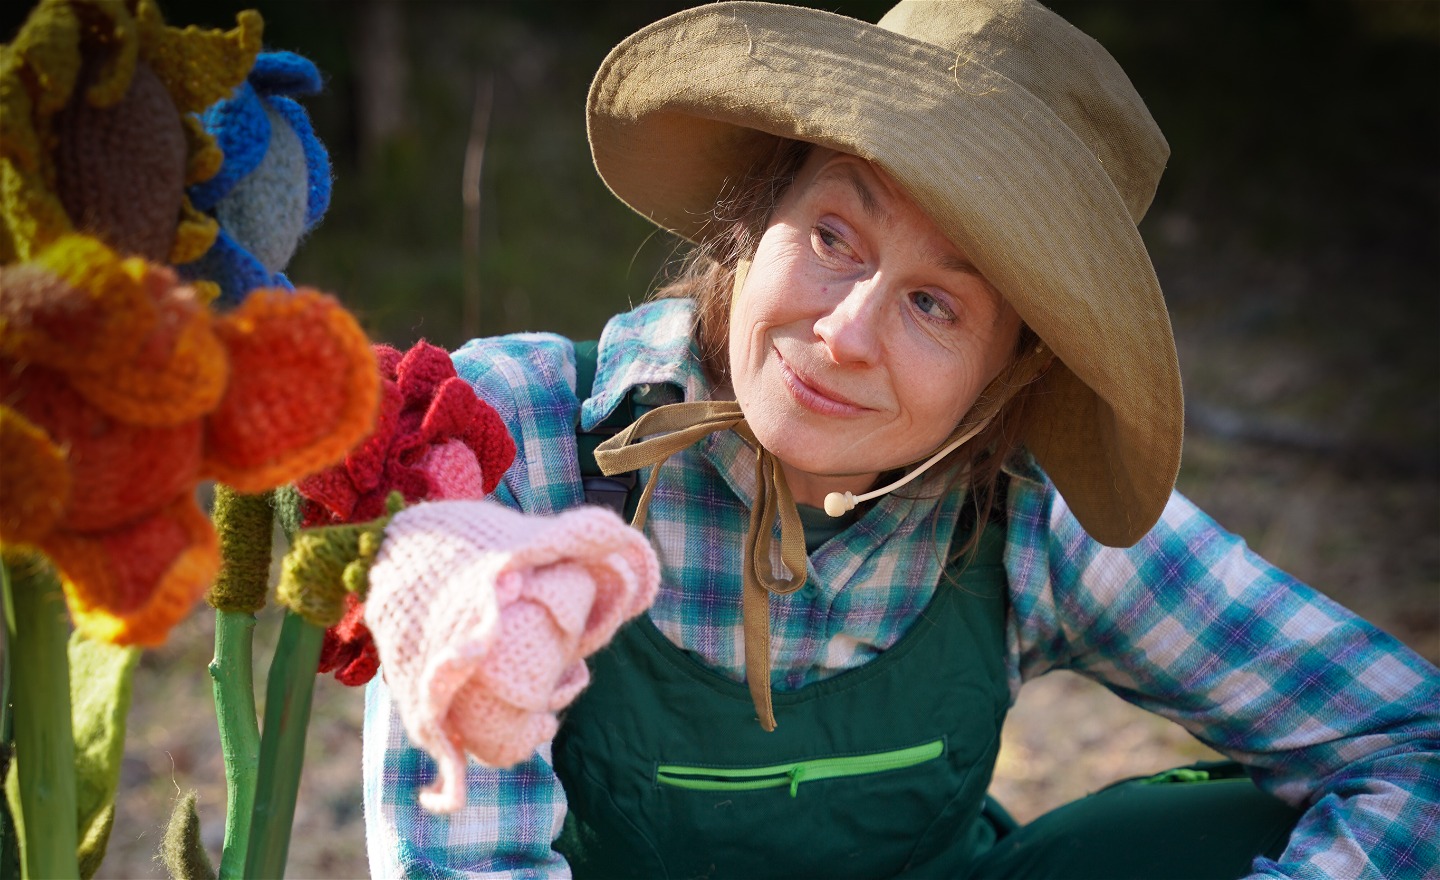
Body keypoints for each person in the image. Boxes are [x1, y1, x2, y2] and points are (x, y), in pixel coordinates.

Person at [362, 1, 1440, 877]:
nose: (843, 334)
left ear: (1010, 371)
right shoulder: (514, 441)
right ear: (756, 206)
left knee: (1211, 835)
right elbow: (466, 863)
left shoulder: (1025, 515)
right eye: (835, 234)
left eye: (937, 306)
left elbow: (1411, 743)